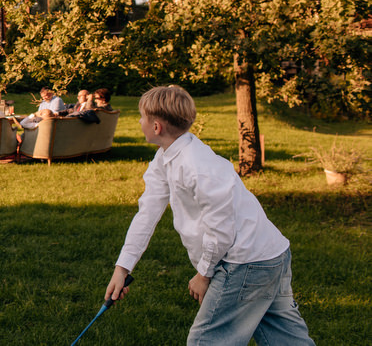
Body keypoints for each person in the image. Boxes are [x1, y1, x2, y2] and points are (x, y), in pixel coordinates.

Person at [104, 86, 315, 346]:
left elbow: (221, 228)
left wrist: (203, 275)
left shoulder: (197, 165)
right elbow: (147, 213)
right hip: (268, 255)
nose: (139, 122)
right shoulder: (166, 158)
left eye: (142, 117)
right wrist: (122, 269)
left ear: (156, 126)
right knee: (287, 341)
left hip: (245, 262)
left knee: (205, 341)